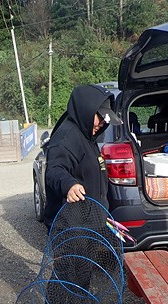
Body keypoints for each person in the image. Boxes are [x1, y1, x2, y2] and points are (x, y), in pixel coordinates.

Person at [43, 84, 122, 231]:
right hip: (73, 229)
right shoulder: (66, 137)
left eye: (105, 119)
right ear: (86, 110)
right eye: (100, 116)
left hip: (93, 224)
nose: (103, 122)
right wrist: (69, 185)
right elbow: (54, 170)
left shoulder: (88, 135)